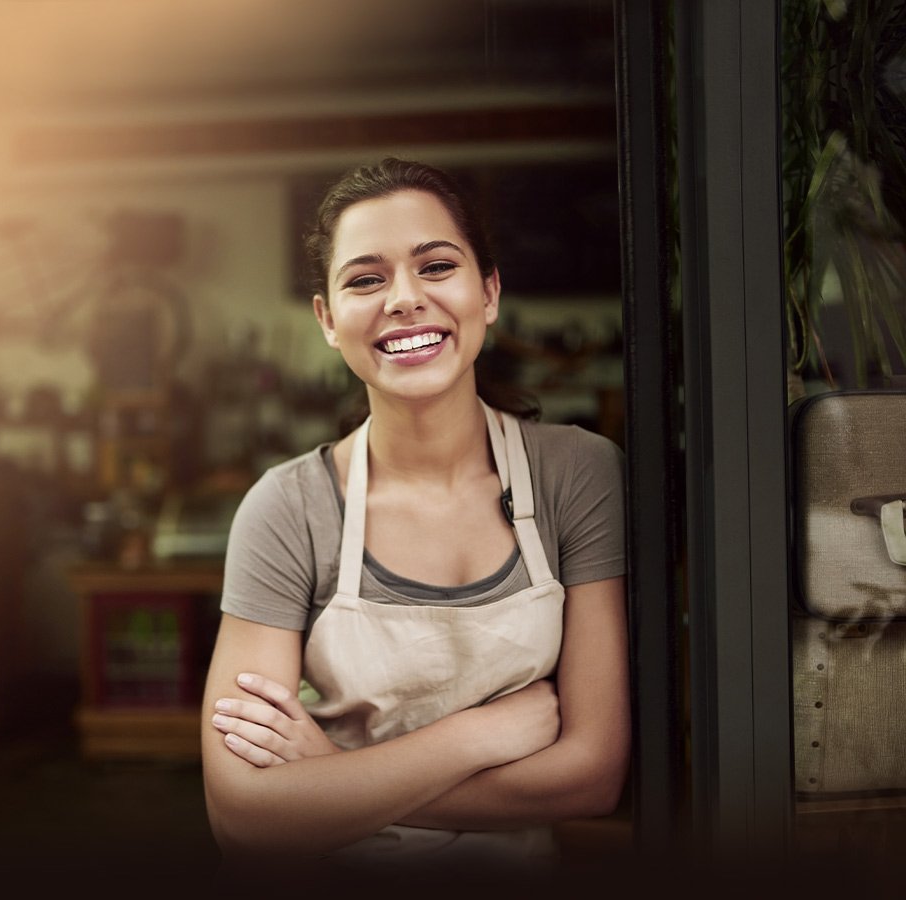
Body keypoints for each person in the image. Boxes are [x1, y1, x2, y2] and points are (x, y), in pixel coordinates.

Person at [200, 157, 629, 876]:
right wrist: (479, 736)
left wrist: (335, 774)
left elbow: (591, 775)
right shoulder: (288, 509)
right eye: (366, 279)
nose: (404, 299)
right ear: (328, 320)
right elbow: (244, 814)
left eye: (436, 266)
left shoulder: (576, 476)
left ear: (488, 292)